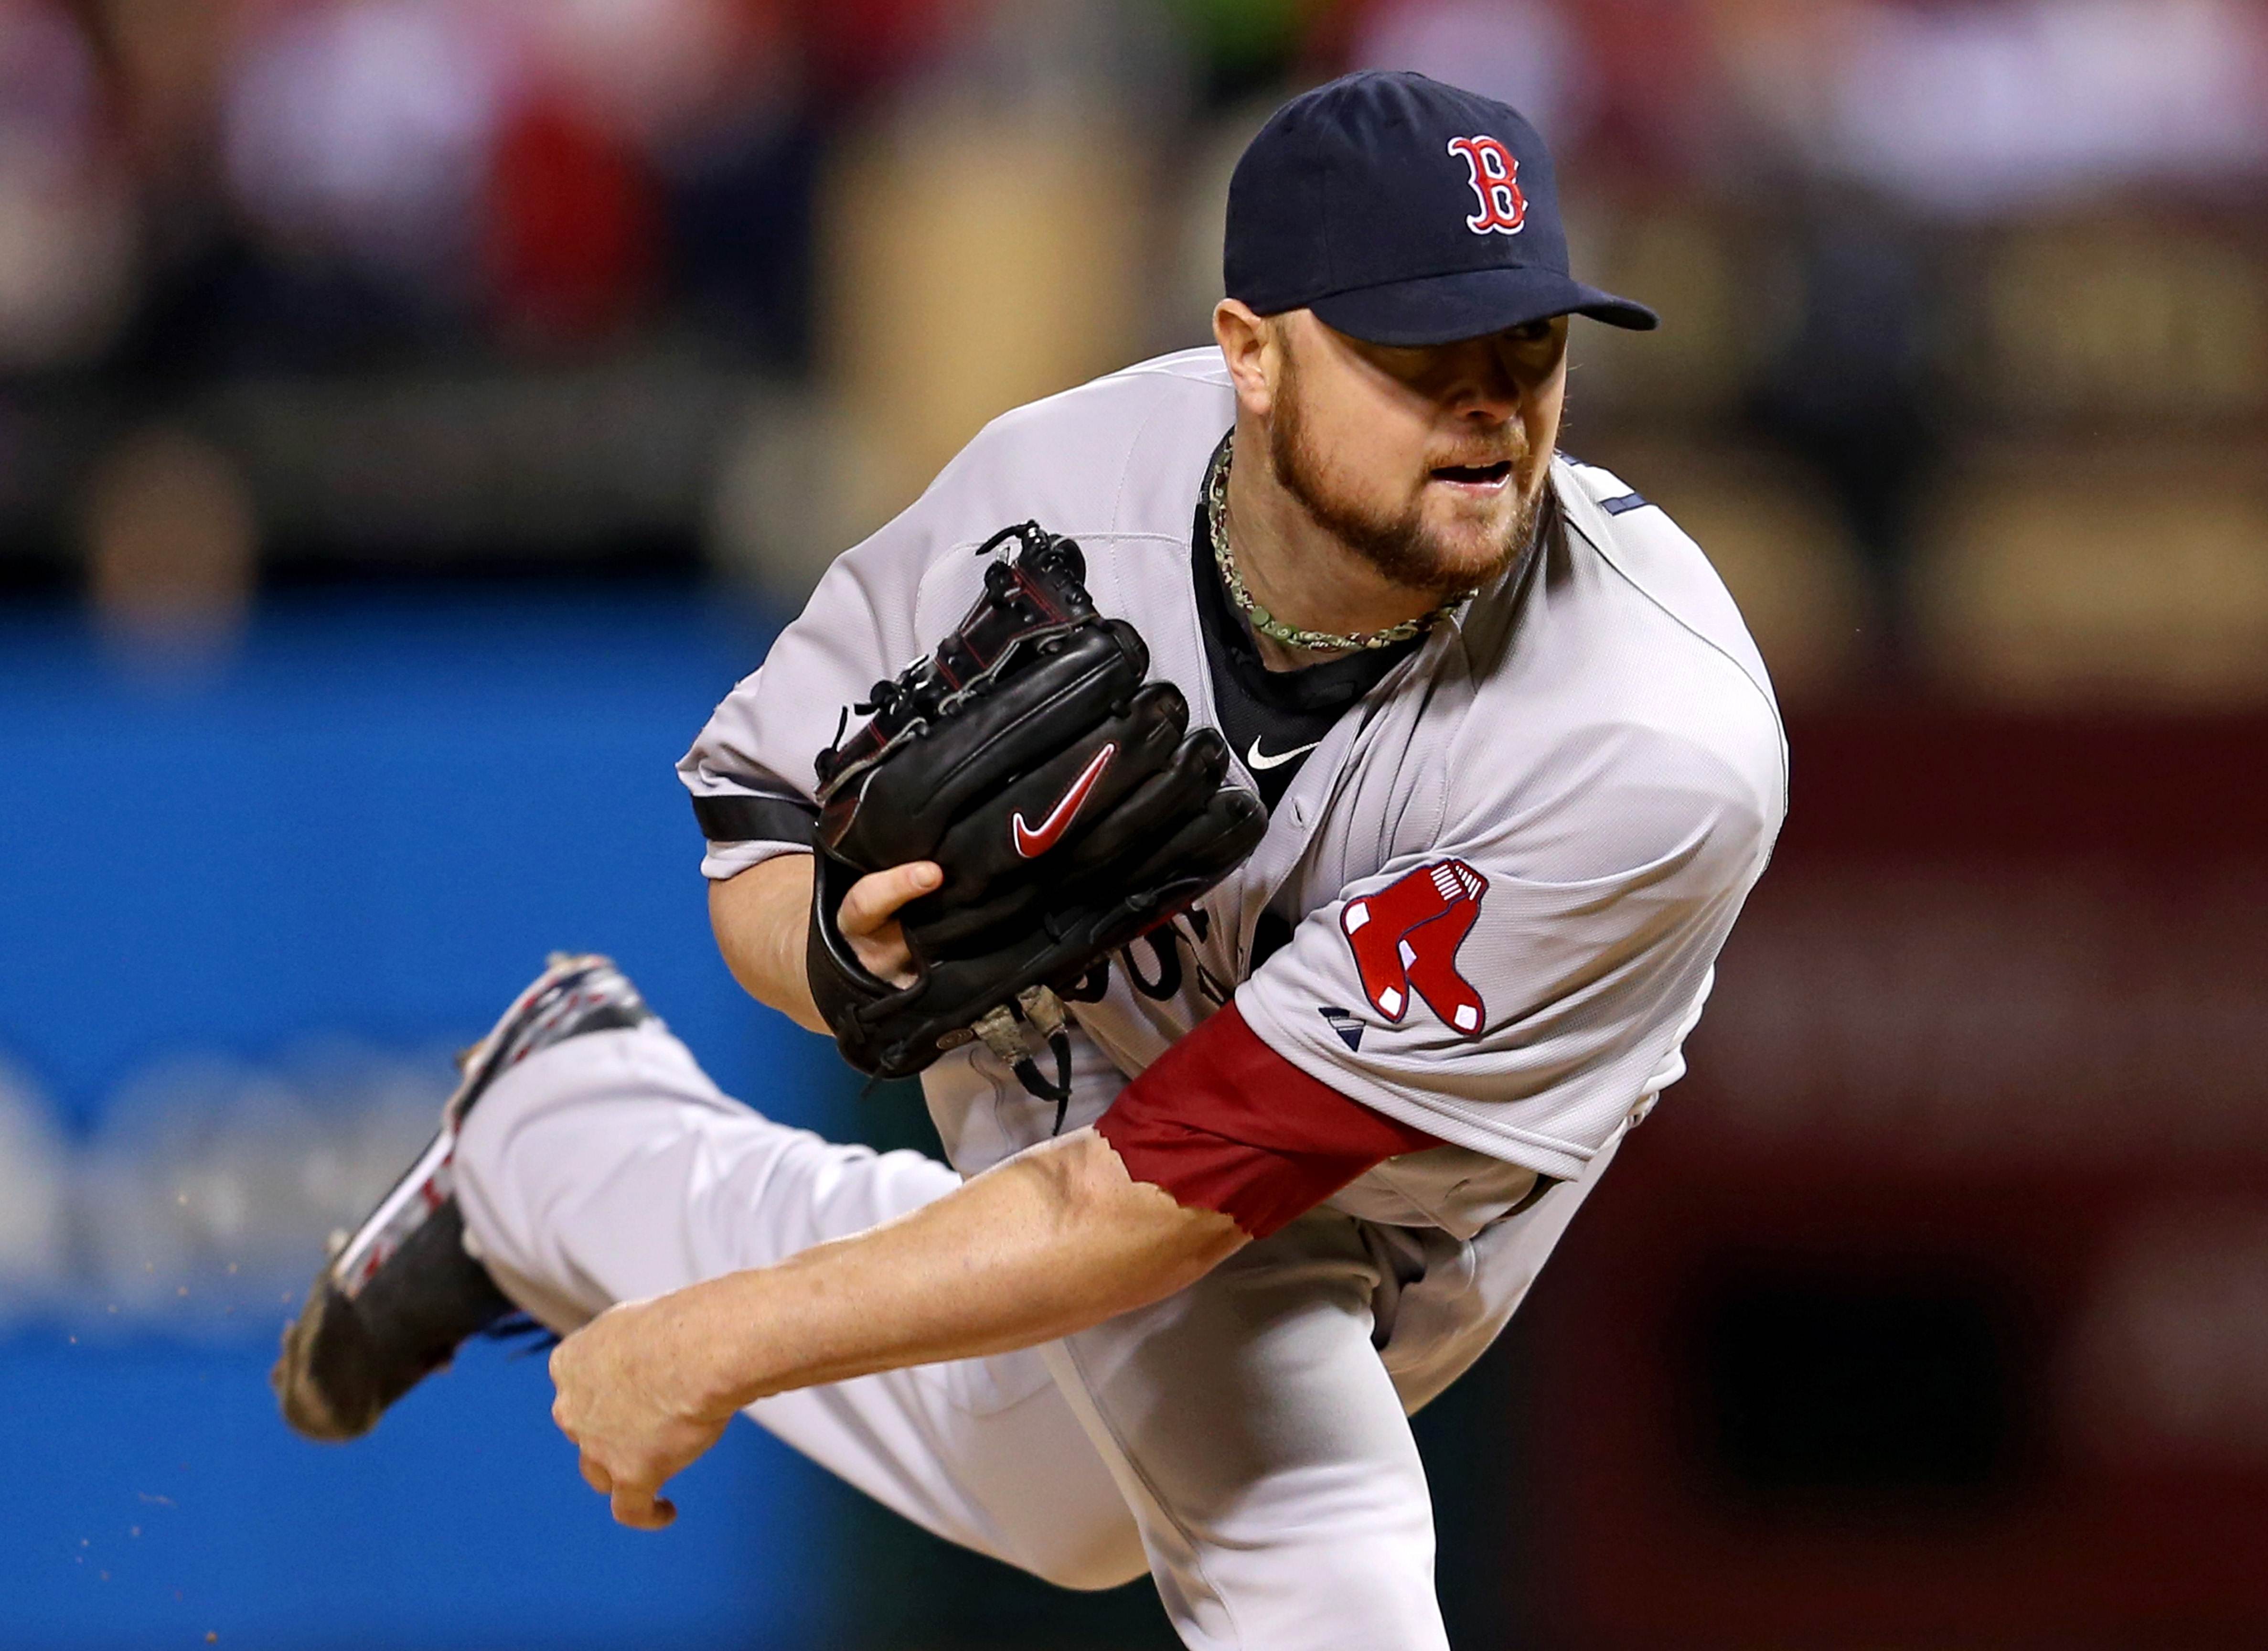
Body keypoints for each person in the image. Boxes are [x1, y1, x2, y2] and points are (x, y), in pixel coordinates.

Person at [275, 71, 1786, 1649]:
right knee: (1310, 1542)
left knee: (1059, 1503)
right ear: (1252, 355)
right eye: (1421, 347)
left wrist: (707, 1341)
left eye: (1529, 339)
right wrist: (846, 963)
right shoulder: (1056, 492)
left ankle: (561, 1134)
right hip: (1073, 1040)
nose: (1492, 399)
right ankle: (563, 1135)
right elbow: (750, 830)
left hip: (1414, 1196)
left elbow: (1170, 1197)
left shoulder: (1647, 745)